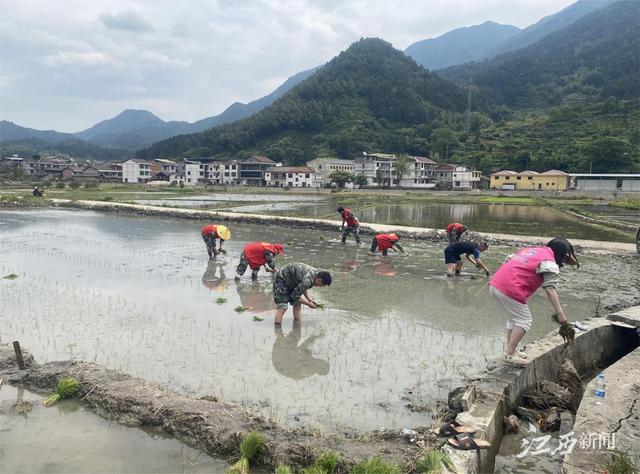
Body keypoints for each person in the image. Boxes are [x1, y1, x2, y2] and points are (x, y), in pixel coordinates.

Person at [490, 238, 579, 364]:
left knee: (514, 319)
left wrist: (569, 259)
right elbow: (550, 290)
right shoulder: (549, 263)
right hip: (511, 288)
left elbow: (509, 260)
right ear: (562, 253)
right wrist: (560, 314)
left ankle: (511, 351)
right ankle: (509, 354)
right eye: (566, 254)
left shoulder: (533, 251)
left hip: (495, 284)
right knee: (524, 321)